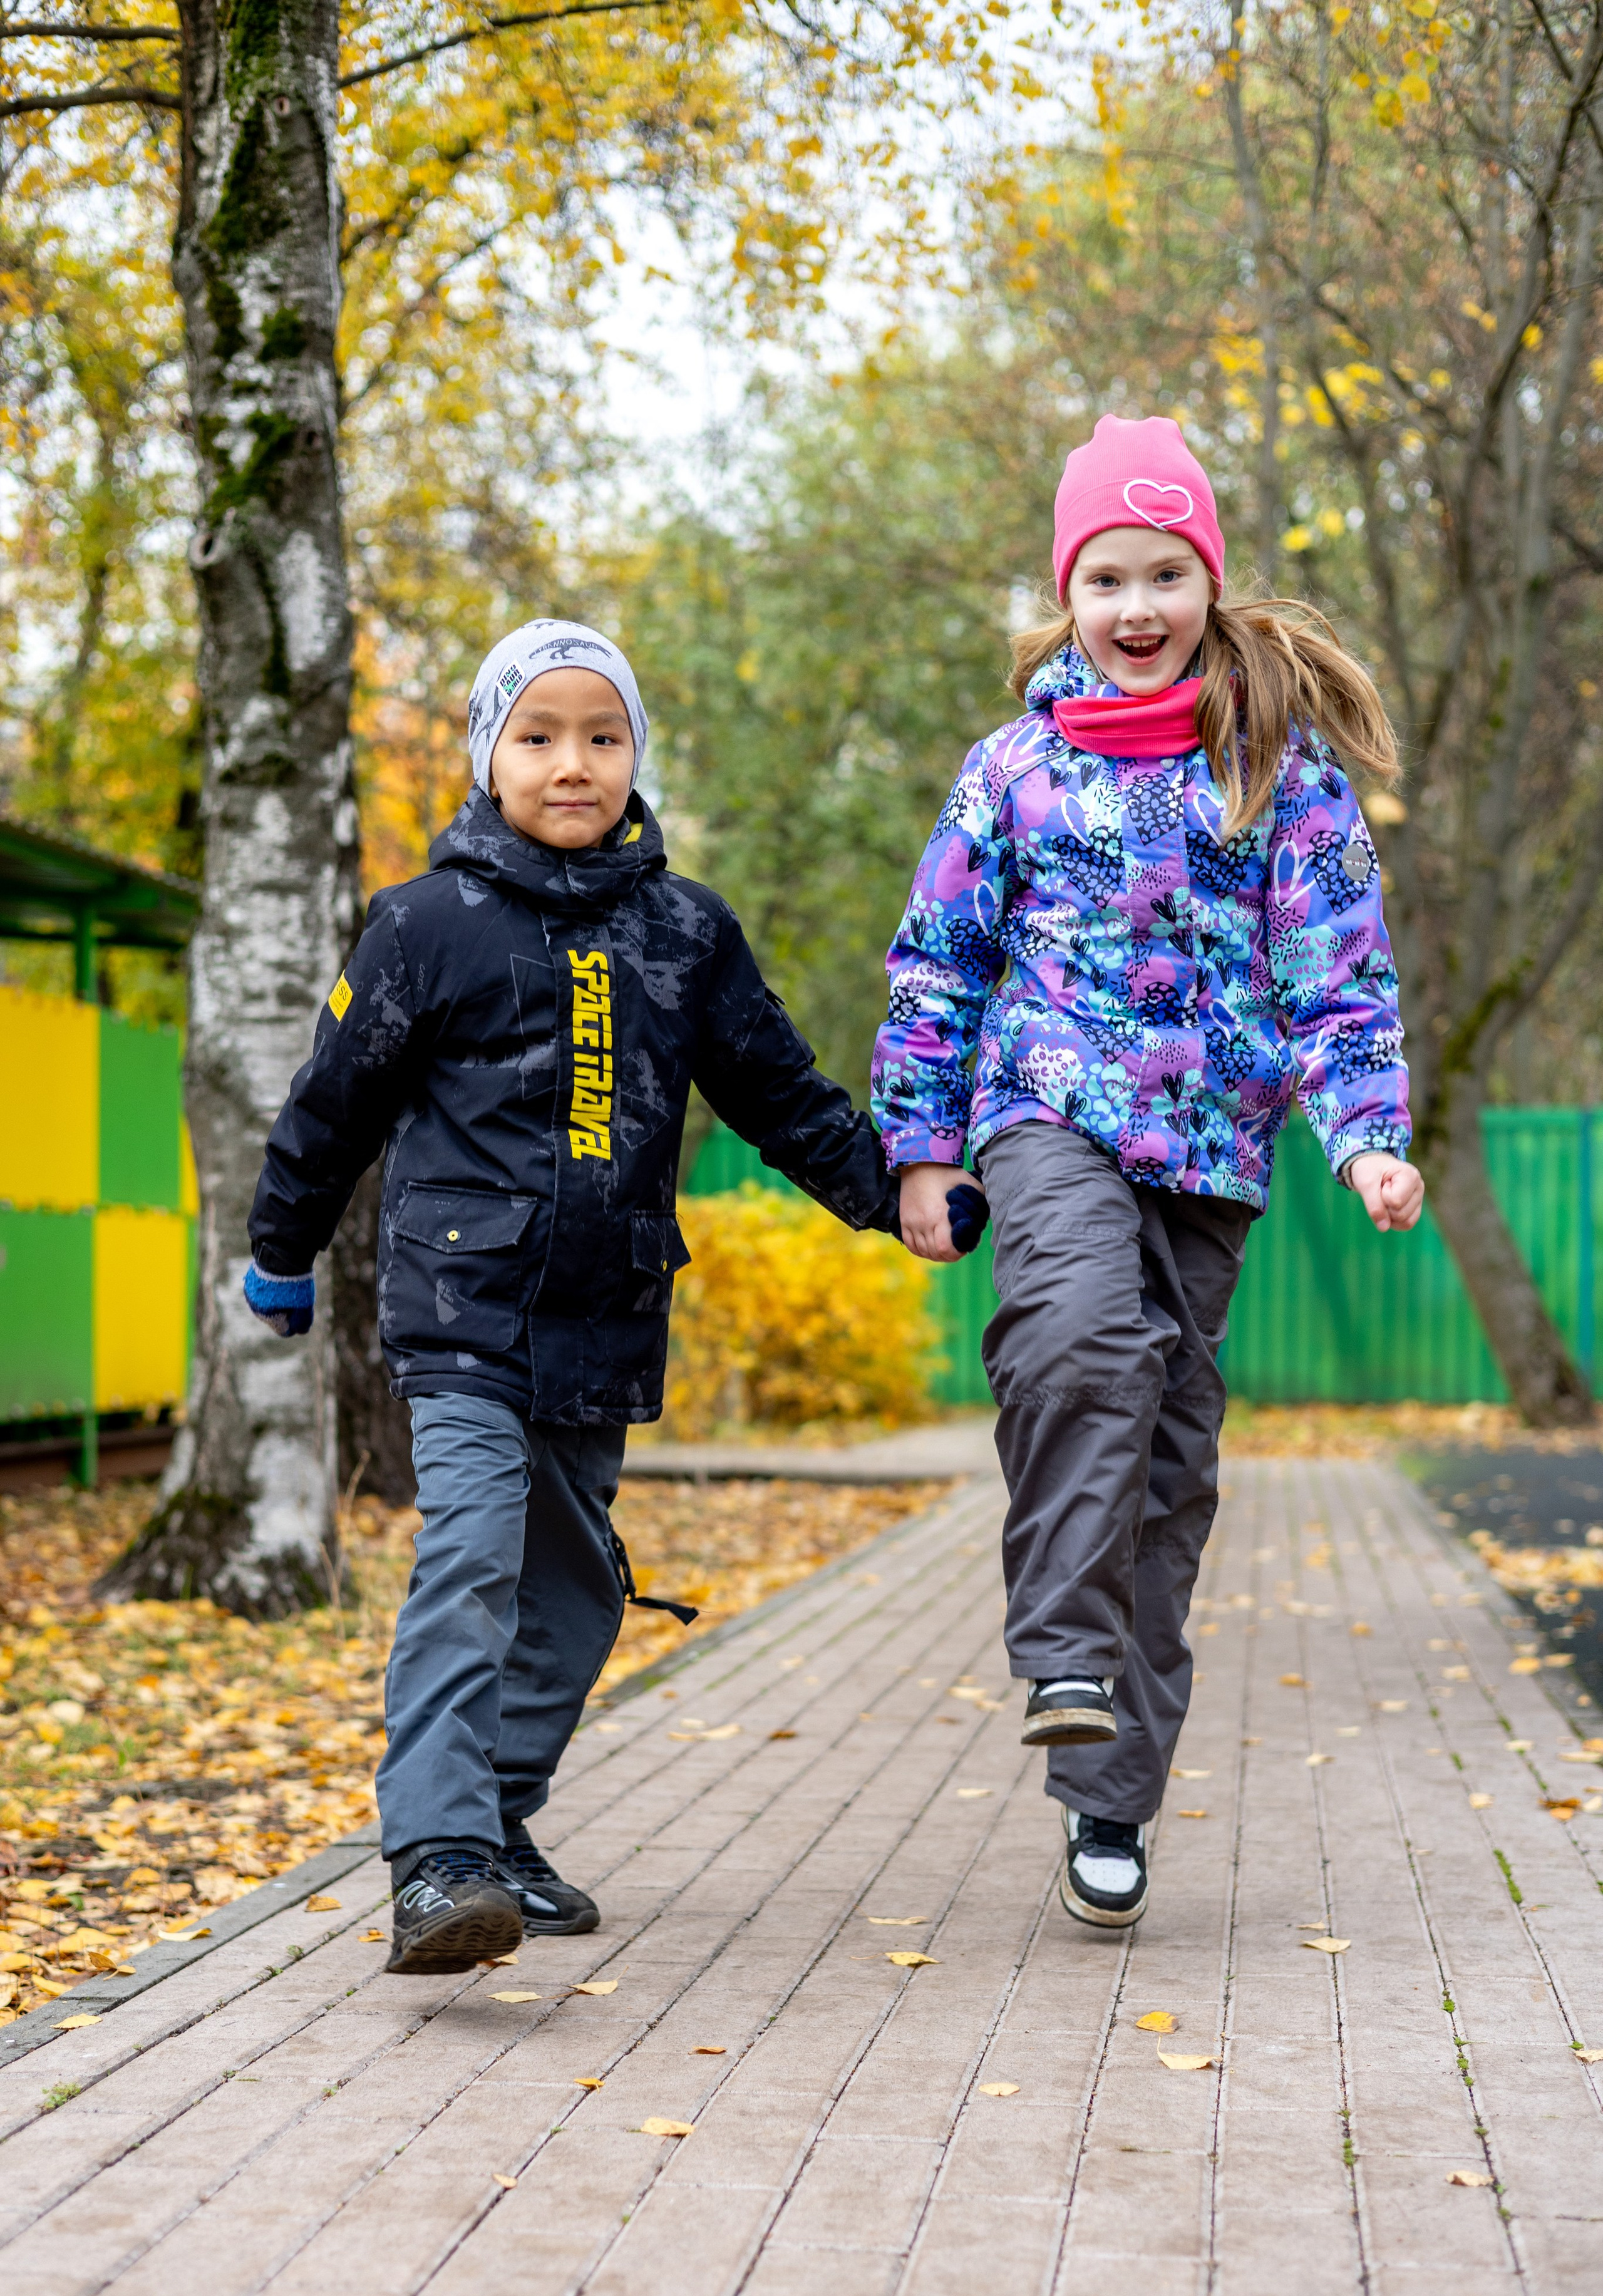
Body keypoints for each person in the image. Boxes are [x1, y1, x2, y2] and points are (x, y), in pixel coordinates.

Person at [243, 622, 900, 1972]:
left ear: (635, 756)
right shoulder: (425, 923)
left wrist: (896, 1197)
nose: (571, 763)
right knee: (473, 1556)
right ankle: (435, 1859)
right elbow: (332, 1100)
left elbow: (778, 1090)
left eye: (602, 737)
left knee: (578, 1596)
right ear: (490, 755)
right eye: (537, 736)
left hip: (601, 1320)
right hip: (461, 1310)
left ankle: (495, 1822)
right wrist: (281, 1246)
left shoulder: (683, 931)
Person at [873, 414, 1424, 1930]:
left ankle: (1105, 1800)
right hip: (1046, 1102)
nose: (1133, 605)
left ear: (1204, 584)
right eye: (1104, 575)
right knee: (1078, 1339)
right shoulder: (1010, 773)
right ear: (1066, 593)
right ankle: (1057, 1645)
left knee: (1170, 1469)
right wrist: (920, 1147)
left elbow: (1338, 976)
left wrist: (1366, 1134)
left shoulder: (1276, 775)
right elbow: (939, 962)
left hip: (1208, 1151)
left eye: (1162, 574)